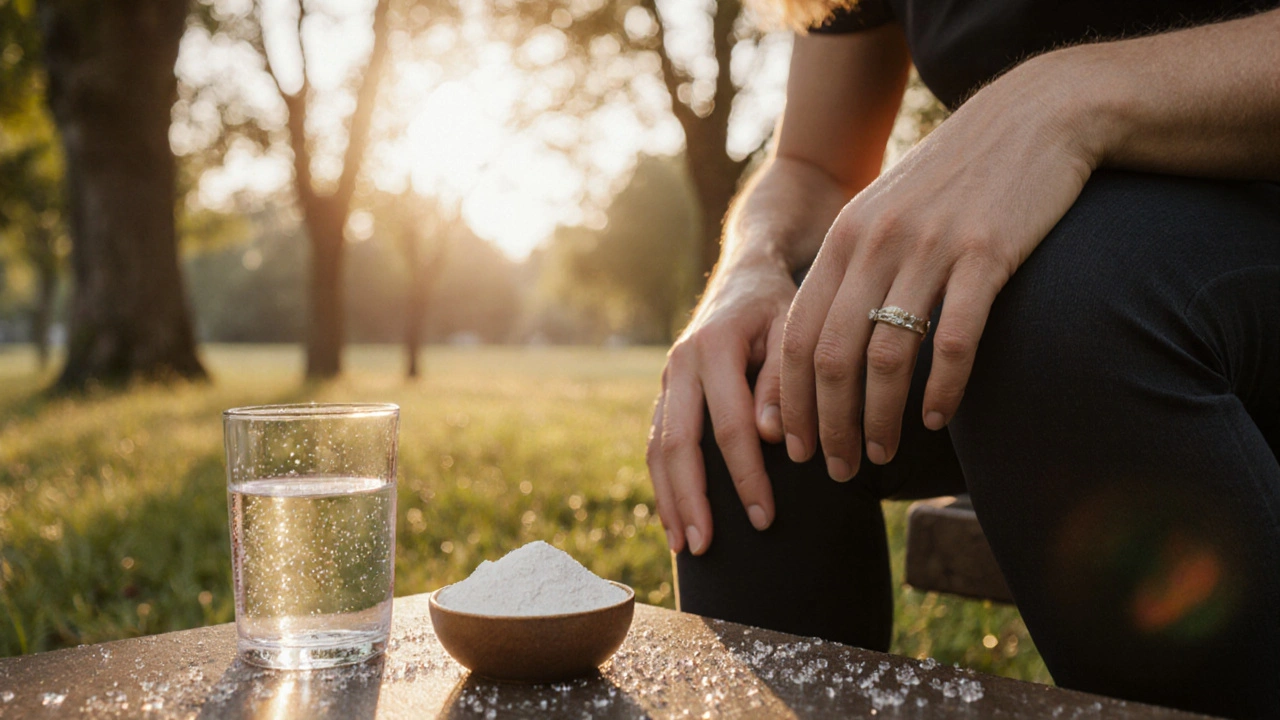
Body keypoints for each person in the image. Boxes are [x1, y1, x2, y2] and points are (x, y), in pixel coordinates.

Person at [644, 0, 1280, 716]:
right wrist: (747, 267)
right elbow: (813, 164)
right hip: (1044, 275)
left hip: (1197, 259)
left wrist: (1065, 99)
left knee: (1060, 322)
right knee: (755, 385)